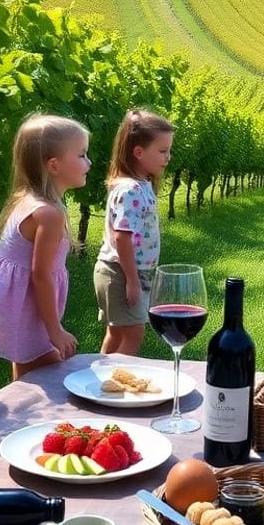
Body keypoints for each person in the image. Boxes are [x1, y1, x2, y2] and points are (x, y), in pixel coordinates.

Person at [0, 114, 88, 380]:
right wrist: (54, 330)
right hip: (29, 303)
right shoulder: (48, 213)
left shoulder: (29, 200)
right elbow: (41, 275)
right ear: (54, 165)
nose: (89, 163)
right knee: (47, 374)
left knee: (28, 372)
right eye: (81, 155)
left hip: (23, 303)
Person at [95, 109, 175, 355]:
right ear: (138, 152)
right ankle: (117, 385)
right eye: (162, 151)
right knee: (133, 333)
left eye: (169, 150)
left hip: (121, 271)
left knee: (117, 332)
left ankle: (102, 383)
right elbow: (123, 237)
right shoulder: (131, 190)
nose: (168, 157)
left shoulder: (141, 185)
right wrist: (131, 280)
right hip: (121, 272)